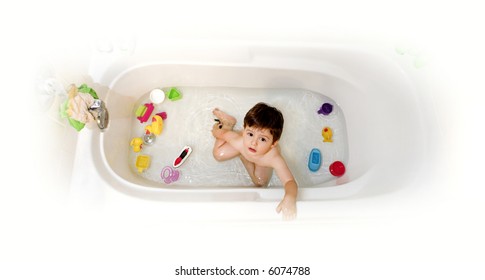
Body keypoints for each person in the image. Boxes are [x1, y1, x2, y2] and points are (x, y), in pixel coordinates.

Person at [211, 102, 298, 220]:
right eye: (250, 134)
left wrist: (290, 197)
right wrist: (219, 130)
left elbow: (289, 181)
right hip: (243, 148)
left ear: (273, 144)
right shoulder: (240, 141)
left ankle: (244, 157)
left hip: (261, 161)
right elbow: (221, 133)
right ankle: (228, 123)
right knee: (218, 154)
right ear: (244, 129)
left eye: (262, 139)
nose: (254, 142)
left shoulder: (273, 158)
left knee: (260, 182)